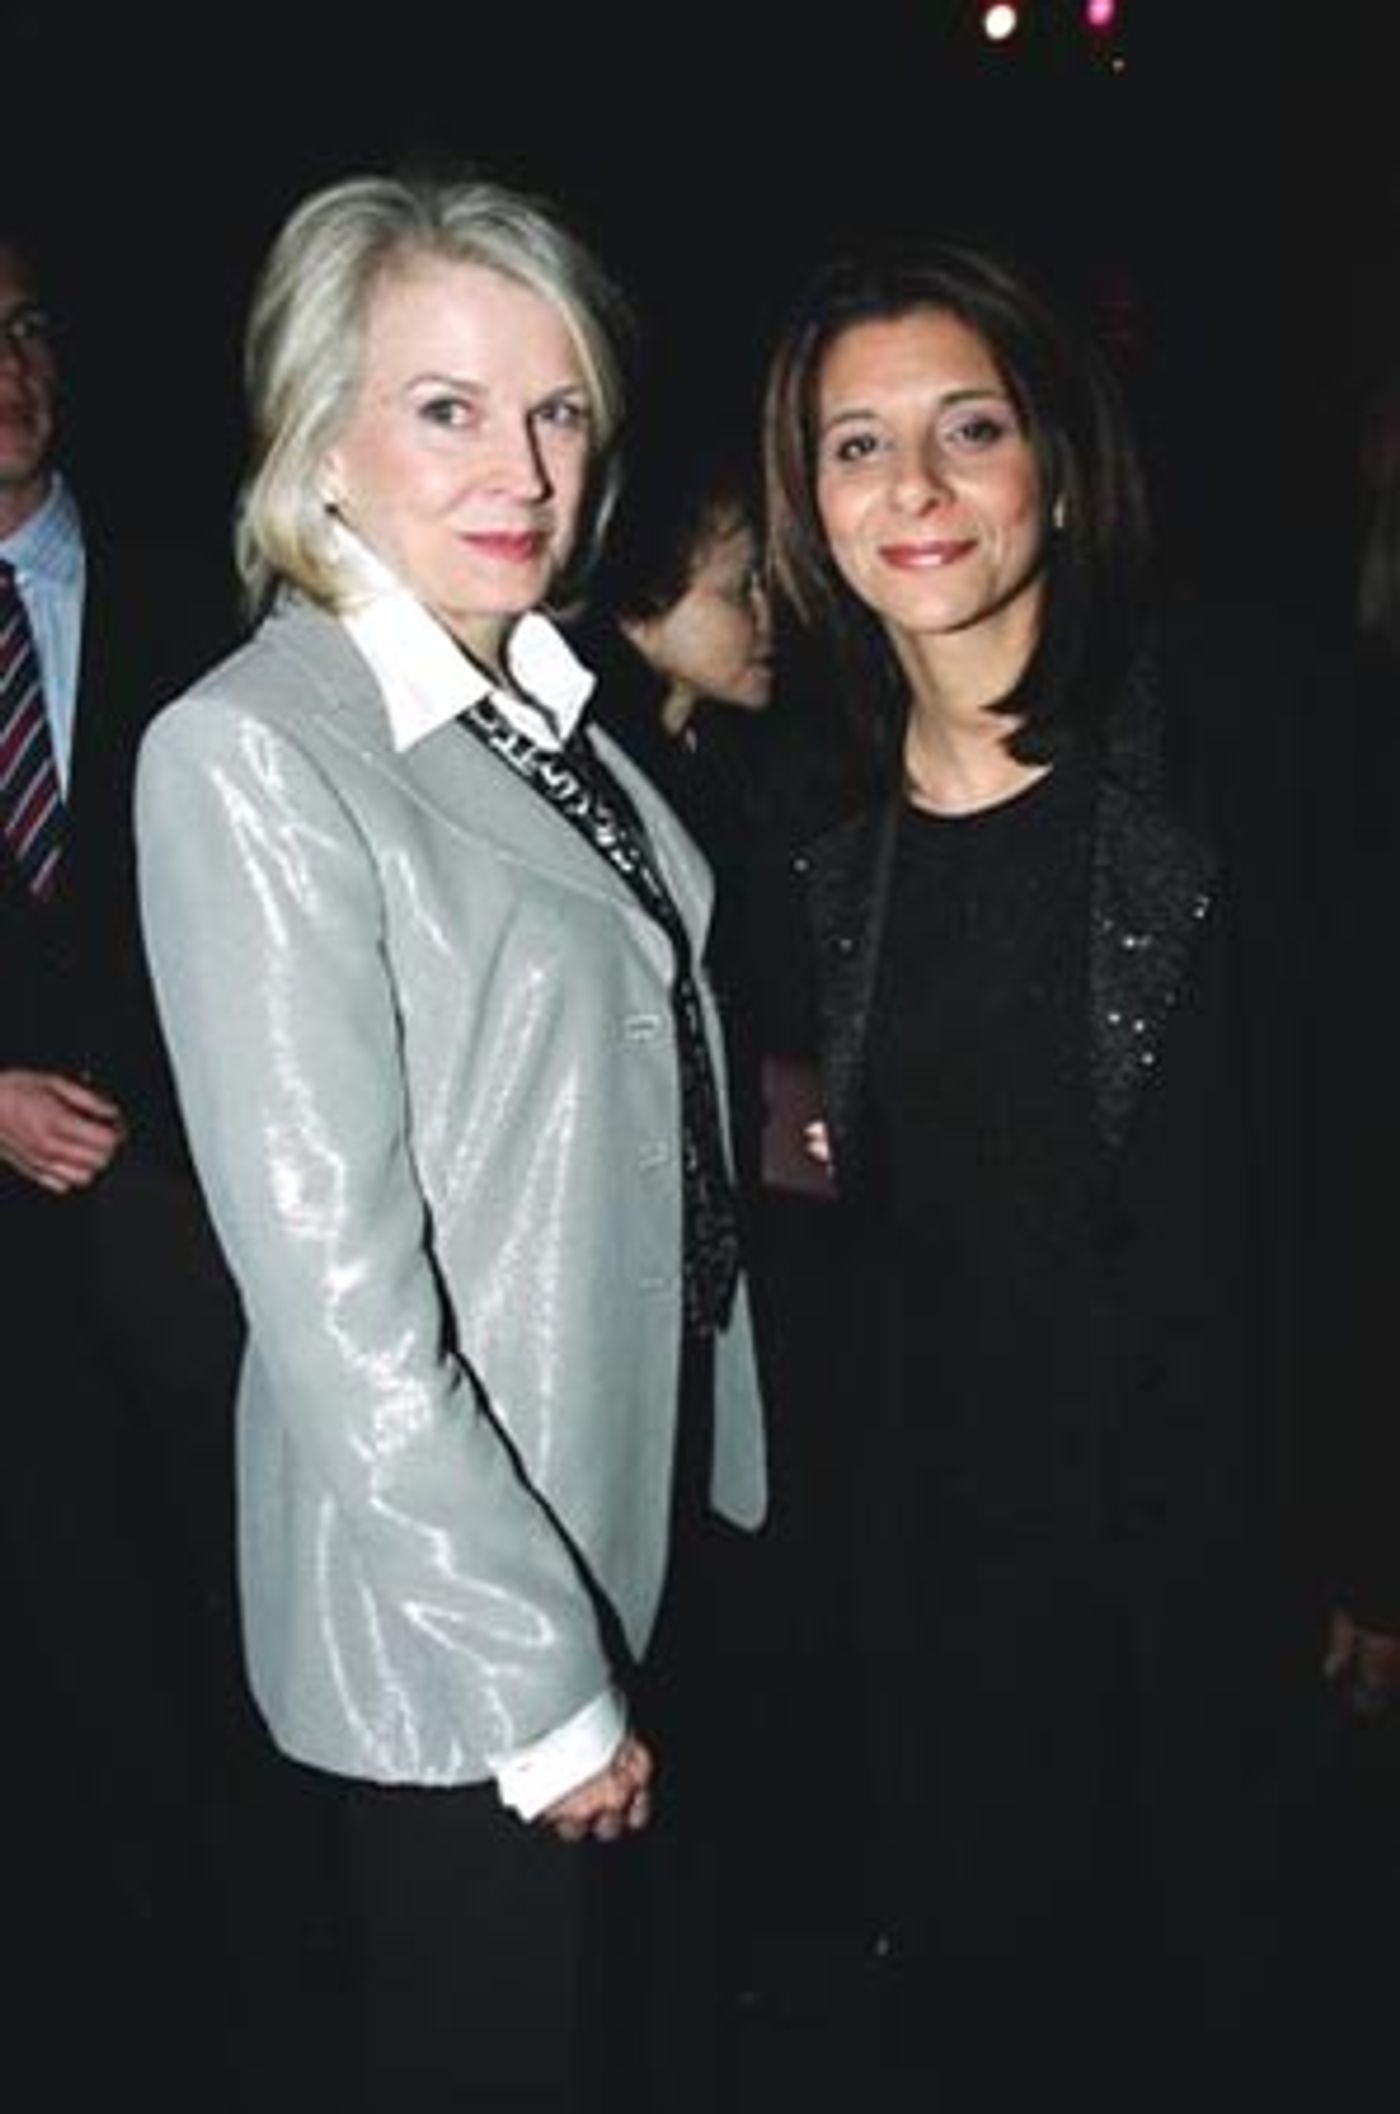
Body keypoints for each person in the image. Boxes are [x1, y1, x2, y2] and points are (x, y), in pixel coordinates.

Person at [133, 168, 767, 2114]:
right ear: (319, 436)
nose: (526, 468)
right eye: (448, 407)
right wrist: (535, 1678)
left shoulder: (530, 706)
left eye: (558, 408)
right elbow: (334, 1299)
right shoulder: (257, 746)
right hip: (460, 1631)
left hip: (631, 1502)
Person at [760, 233, 1400, 2106]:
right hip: (951, 1609)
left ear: (1055, 453)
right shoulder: (800, 827)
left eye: (968, 427)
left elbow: (1361, 1156)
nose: (917, 488)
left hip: (1233, 1577)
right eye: (858, 446)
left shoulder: (1256, 746)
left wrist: (1370, 1534)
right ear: (807, 500)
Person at [0, 218, 308, 2106]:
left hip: (202, 1223)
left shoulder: (202, 597)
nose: (9, 368)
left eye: (27, 326)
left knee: (223, 1623)